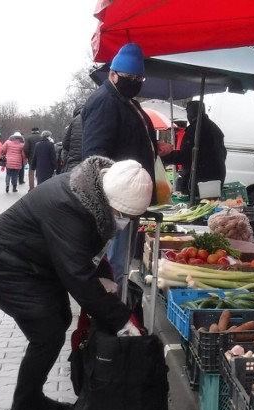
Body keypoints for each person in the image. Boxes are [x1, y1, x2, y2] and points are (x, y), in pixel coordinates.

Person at [0, 157, 152, 410]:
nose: (120, 218)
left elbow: (88, 252)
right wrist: (121, 319)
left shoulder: (92, 192)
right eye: (120, 212)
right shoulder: (68, 205)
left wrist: (104, 276)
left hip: (38, 262)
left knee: (59, 321)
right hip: (6, 263)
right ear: (108, 197)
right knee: (46, 334)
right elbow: (77, 274)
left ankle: (34, 398)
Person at [82, 42, 170, 285]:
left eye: (139, 78)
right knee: (113, 263)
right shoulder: (105, 101)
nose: (134, 81)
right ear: (112, 74)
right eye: (129, 76)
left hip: (129, 199)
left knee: (120, 261)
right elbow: (94, 155)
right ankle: (109, 312)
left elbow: (130, 137)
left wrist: (153, 148)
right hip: (115, 202)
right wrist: (108, 201)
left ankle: (116, 305)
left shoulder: (126, 100)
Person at [157, 100, 226, 195]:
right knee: (209, 203)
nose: (187, 116)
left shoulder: (195, 129)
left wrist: (164, 156)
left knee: (197, 204)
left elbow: (186, 156)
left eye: (188, 112)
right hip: (217, 175)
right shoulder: (214, 128)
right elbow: (223, 153)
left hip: (201, 179)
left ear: (192, 113)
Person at [61, 104, 83, 173]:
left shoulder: (74, 121)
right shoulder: (95, 117)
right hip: (91, 160)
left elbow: (65, 143)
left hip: (74, 161)